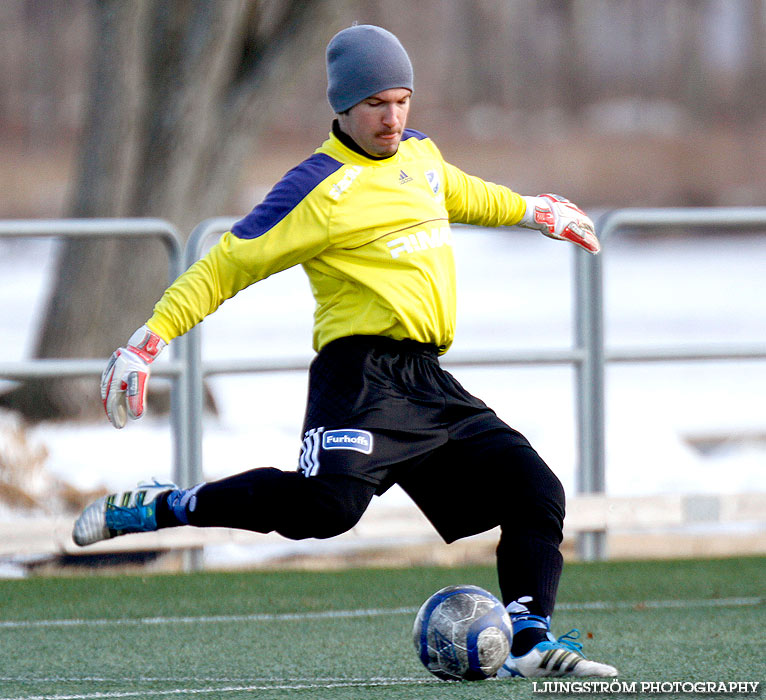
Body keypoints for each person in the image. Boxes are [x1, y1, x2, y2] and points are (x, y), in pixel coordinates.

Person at [73, 25, 616, 679]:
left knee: (535, 491)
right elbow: (224, 267)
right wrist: (147, 342)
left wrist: (533, 211)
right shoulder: (315, 187)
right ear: (342, 108)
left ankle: (527, 640)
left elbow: (464, 193)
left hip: (427, 382)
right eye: (376, 105)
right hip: (358, 378)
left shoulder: (419, 157)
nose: (392, 118)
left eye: (402, 101)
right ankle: (165, 505)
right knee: (325, 512)